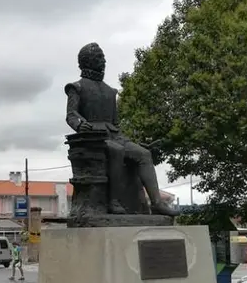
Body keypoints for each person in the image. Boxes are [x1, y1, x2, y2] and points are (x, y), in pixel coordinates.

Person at [64, 42, 179, 217]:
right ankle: (113, 201)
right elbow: (71, 114)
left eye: (103, 57)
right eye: (99, 57)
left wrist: (130, 140)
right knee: (116, 151)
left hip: (115, 135)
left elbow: (116, 124)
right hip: (93, 138)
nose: (104, 61)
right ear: (87, 61)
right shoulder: (76, 87)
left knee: (143, 154)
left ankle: (156, 203)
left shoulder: (110, 91)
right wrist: (80, 124)